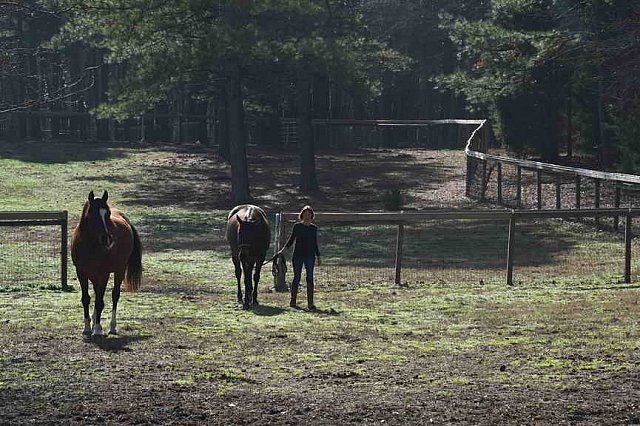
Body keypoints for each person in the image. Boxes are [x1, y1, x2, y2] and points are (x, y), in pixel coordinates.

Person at [279, 205, 321, 310]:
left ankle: (310, 303)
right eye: (305, 214)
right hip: (298, 255)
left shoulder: (313, 228)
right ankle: (293, 301)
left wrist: (318, 256)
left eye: (309, 214)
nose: (307, 215)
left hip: (310, 256)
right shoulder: (297, 226)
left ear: (312, 215)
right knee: (296, 277)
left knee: (310, 278)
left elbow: (315, 243)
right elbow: (291, 239)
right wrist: (283, 250)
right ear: (302, 215)